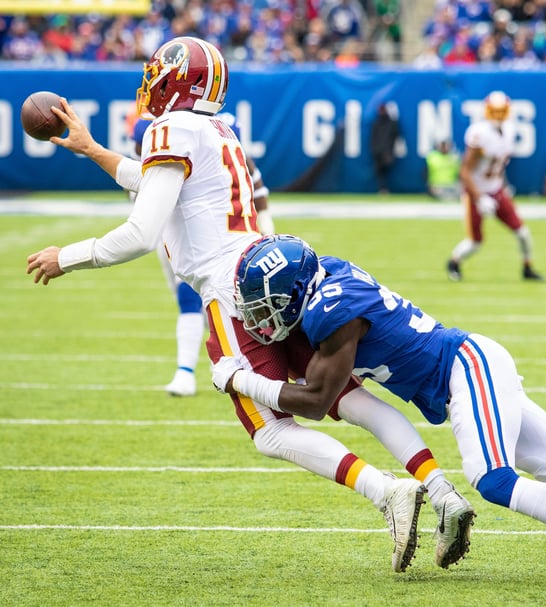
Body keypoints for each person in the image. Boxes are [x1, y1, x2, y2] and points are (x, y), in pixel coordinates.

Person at [25, 36, 474, 573]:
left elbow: (143, 232)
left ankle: (386, 492)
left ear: (177, 78)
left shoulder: (169, 129)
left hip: (231, 291)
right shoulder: (216, 128)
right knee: (347, 396)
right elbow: (153, 185)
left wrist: (68, 256)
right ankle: (441, 489)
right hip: (274, 274)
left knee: (271, 430)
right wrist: (92, 148)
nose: (150, 79)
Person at [214, 233, 546, 589]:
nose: (259, 320)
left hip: (464, 368)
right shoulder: (326, 277)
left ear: (293, 293)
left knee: (493, 480)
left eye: (264, 306)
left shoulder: (330, 309)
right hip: (467, 369)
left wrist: (241, 380)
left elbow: (314, 400)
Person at [131, 112, 275, 396]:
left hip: (217, 234)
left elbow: (255, 184)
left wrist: (267, 232)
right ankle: (230, 363)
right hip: (174, 231)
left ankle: (189, 372)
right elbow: (138, 185)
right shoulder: (155, 128)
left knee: (210, 300)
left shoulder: (220, 128)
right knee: (201, 303)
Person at [446, 91, 544, 282]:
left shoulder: (510, 130)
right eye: (494, 111)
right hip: (476, 193)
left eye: (501, 111)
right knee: (475, 242)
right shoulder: (479, 134)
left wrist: (503, 185)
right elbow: (464, 172)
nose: (498, 116)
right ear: (487, 111)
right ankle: (454, 262)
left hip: (496, 190)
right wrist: (479, 198)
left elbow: (498, 165)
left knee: (523, 233)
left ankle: (527, 268)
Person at [370, 102, 400, 194]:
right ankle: (382, 188)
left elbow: (395, 134)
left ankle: (385, 188)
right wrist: (375, 150)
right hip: (378, 152)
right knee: (379, 172)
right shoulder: (376, 123)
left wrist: (389, 150)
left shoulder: (391, 123)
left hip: (387, 151)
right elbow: (373, 138)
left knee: (386, 170)